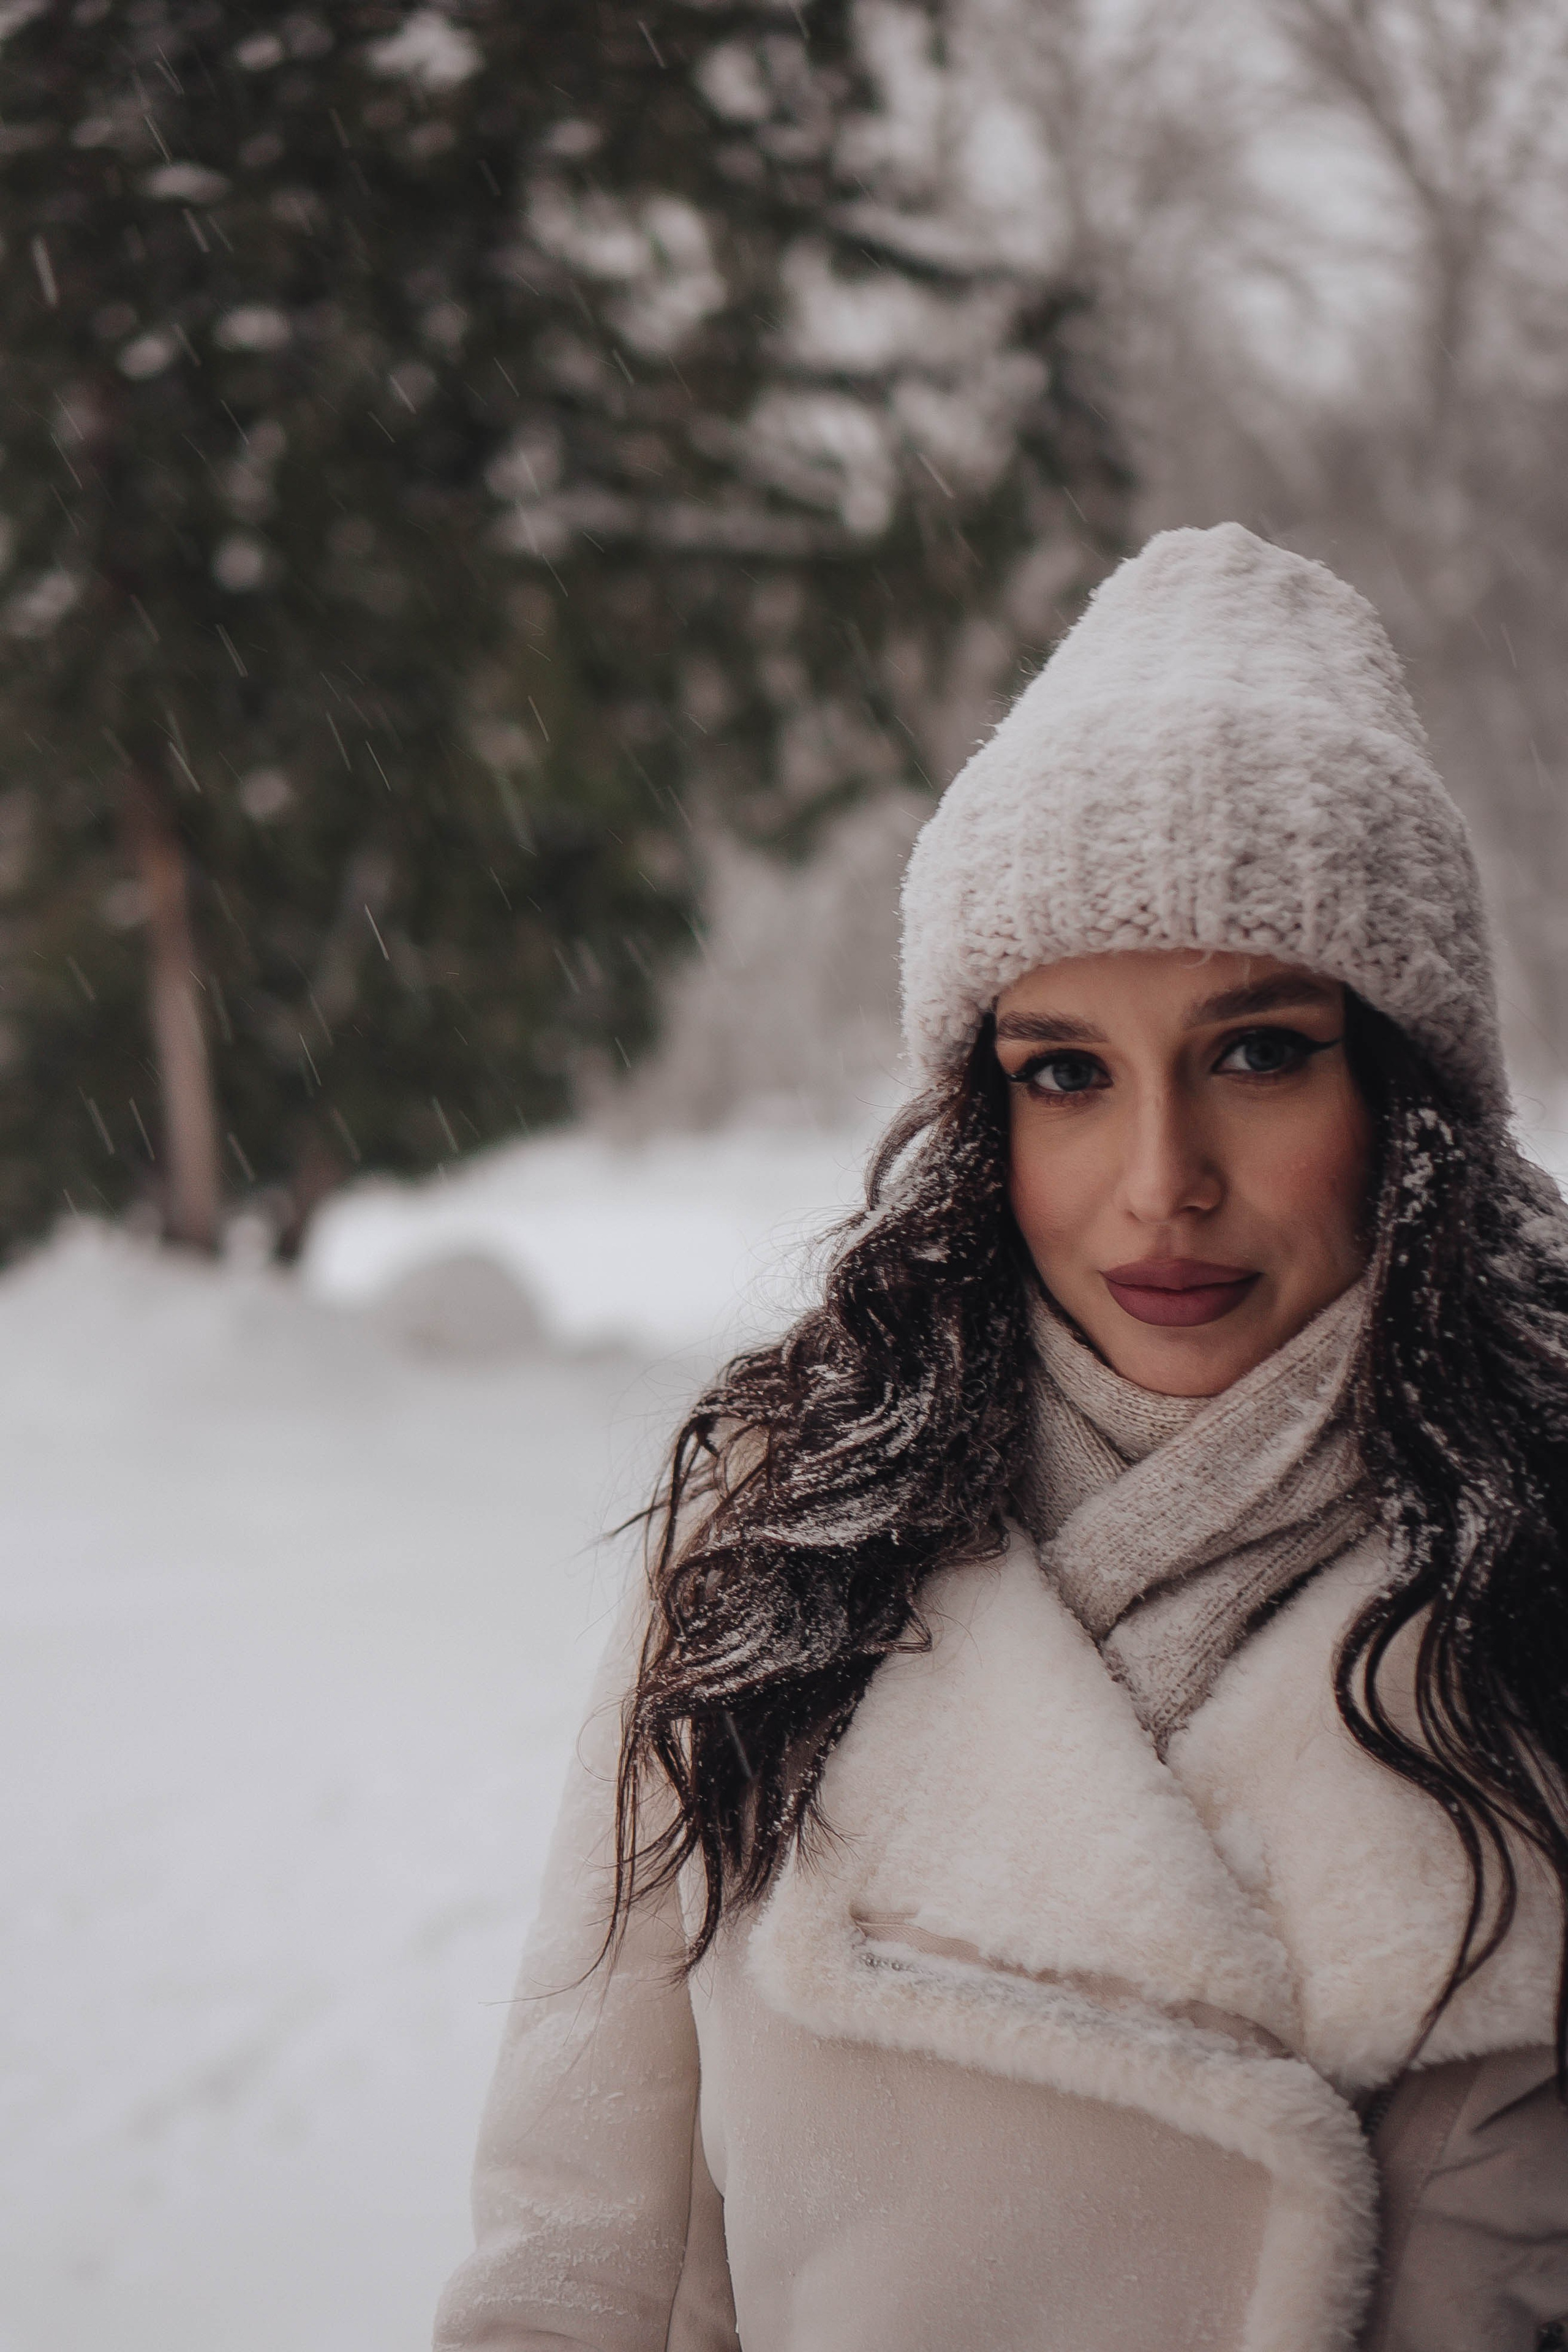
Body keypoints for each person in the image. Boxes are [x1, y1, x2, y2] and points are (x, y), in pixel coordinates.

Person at [435, 525, 1568, 2351]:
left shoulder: (1537, 1559)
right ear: (980, 1115)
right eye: (1067, 1073)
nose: (1159, 1186)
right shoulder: (777, 1539)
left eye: (1259, 1051)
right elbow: (588, 2261)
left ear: (1405, 1090)